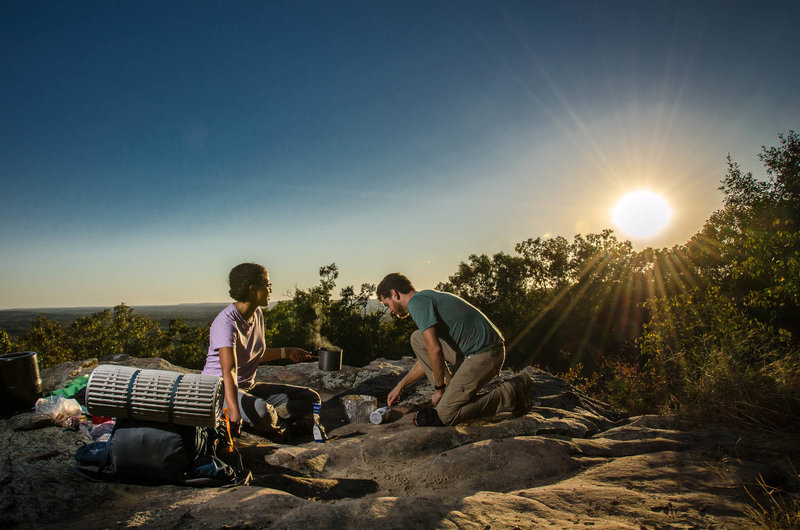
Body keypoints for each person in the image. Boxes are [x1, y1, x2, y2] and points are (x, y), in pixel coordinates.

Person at [377, 272, 532, 426]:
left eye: (387, 304)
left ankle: (511, 391)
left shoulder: (416, 303)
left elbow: (435, 350)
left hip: (485, 353)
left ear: (394, 293)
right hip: (471, 351)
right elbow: (429, 357)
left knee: (445, 415)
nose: (390, 311)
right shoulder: (423, 297)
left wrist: (439, 390)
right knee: (417, 338)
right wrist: (400, 386)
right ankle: (451, 392)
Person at [202, 262, 320, 441]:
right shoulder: (226, 323)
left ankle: (270, 421)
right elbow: (229, 370)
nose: (270, 290)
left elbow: (253, 354)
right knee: (261, 411)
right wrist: (234, 412)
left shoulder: (256, 314)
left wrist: (286, 352)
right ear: (252, 289)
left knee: (311, 398)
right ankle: (283, 429)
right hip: (220, 391)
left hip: (248, 388)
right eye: (267, 284)